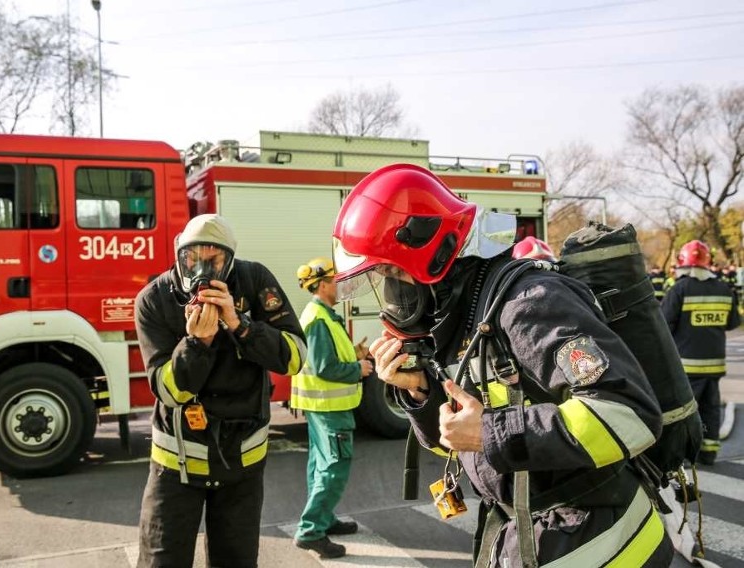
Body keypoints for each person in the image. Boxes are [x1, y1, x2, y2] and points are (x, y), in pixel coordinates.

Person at [331, 163, 673, 567]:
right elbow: (460, 444)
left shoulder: (528, 304)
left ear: (432, 254)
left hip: (600, 545)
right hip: (534, 532)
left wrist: (491, 433)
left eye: (391, 272)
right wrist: (420, 392)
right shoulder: (469, 318)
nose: (390, 290)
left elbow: (629, 416)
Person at [134, 214, 306, 568]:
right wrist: (196, 343)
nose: (202, 269)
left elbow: (294, 358)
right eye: (193, 258)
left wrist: (240, 325)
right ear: (179, 254)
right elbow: (169, 391)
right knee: (161, 562)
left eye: (214, 261)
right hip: (176, 467)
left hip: (241, 464)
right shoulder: (153, 299)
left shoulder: (253, 279)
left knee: (237, 561)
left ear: (229, 261)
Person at [290, 257, 374, 559]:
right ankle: (311, 530)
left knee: (319, 464)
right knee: (333, 468)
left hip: (322, 405)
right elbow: (326, 367)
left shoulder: (321, 314)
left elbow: (326, 359)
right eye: (336, 281)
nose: (340, 285)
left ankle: (323, 520)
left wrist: (354, 355)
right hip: (329, 406)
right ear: (324, 285)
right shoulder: (318, 319)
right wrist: (358, 369)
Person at [661, 240, 740, 466]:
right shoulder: (724, 288)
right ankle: (709, 453)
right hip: (714, 365)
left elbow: (664, 324)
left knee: (683, 413)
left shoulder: (679, 289)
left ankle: (682, 456)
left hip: (685, 366)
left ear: (683, 264)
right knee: (711, 409)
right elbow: (732, 322)